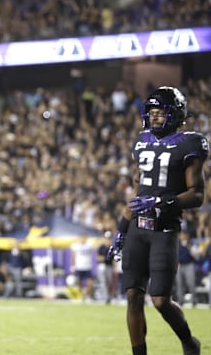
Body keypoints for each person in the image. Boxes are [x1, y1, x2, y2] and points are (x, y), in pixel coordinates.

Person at [107, 86, 206, 355]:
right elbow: (138, 192)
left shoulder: (190, 143)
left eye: (160, 112)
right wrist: (120, 230)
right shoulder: (141, 142)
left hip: (165, 229)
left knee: (161, 300)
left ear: (175, 114)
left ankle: (188, 340)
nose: (154, 118)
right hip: (138, 228)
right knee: (132, 296)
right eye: (150, 112)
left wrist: (163, 201)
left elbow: (197, 195)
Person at [69, 233, 95, 302]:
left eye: (84, 238)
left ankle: (87, 295)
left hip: (87, 266)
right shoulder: (75, 246)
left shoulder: (89, 245)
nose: (83, 239)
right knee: (79, 283)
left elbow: (96, 245)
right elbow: (73, 256)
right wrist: (72, 266)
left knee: (90, 282)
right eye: (82, 238)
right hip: (79, 266)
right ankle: (81, 296)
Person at [174, 231, 198, 307]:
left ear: (187, 236)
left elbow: (195, 255)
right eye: (182, 234)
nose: (183, 236)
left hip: (188, 265)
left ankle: (194, 300)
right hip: (179, 265)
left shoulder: (191, 244)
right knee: (179, 283)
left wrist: (192, 250)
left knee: (191, 283)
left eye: (184, 234)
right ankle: (180, 300)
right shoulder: (177, 244)